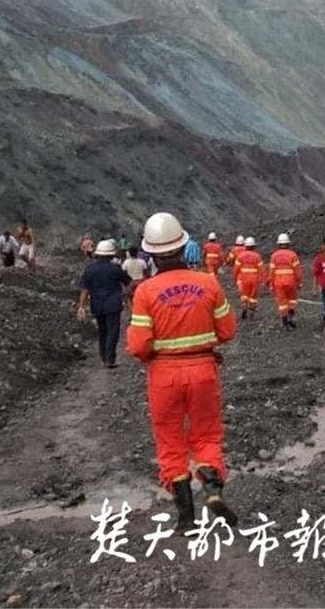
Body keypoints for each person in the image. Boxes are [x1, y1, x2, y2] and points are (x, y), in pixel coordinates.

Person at [127, 212, 237, 530]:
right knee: (206, 434)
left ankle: (186, 518)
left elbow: (138, 346)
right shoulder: (208, 283)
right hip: (203, 370)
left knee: (170, 441)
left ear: (151, 253)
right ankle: (213, 486)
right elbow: (227, 331)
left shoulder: (145, 293)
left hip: (163, 376)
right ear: (183, 247)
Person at [77, 240, 131, 368]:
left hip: (97, 304)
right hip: (113, 304)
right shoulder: (116, 269)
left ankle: (103, 356)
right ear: (111, 255)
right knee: (113, 331)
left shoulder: (90, 269)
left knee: (102, 331)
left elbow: (85, 289)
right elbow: (128, 283)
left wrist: (81, 306)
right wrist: (127, 298)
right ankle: (109, 358)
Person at [268, 233, 303, 329]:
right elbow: (298, 271)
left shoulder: (274, 256)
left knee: (282, 303)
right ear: (288, 244)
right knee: (292, 300)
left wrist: (271, 283)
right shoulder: (292, 255)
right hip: (291, 281)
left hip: (278, 282)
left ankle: (284, 322)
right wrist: (299, 282)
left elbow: (271, 271)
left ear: (279, 244)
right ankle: (290, 317)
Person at [233, 236, 264, 320]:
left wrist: (235, 278)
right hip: (254, 279)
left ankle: (244, 308)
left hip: (244, 279)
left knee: (244, 295)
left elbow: (236, 269)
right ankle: (251, 313)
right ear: (254, 246)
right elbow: (261, 269)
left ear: (245, 246)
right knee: (253, 297)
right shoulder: (257, 256)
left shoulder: (240, 256)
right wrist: (262, 280)